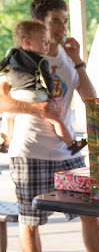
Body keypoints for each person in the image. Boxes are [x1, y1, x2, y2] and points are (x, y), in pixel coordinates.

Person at [3, 0, 99, 252]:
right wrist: (39, 109)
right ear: (38, 22)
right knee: (30, 220)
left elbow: (91, 100)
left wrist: (78, 61)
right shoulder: (22, 56)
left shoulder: (68, 58)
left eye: (65, 21)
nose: (62, 27)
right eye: (55, 21)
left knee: (90, 211)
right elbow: (2, 101)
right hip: (29, 150)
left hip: (67, 152)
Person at [0, 20, 85, 154]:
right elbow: (47, 81)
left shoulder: (12, 53)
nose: (47, 45)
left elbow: (3, 66)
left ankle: (6, 143)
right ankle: (71, 144)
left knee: (8, 117)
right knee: (56, 120)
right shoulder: (40, 61)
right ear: (27, 41)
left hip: (16, 94)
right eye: (43, 41)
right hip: (35, 95)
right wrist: (51, 95)